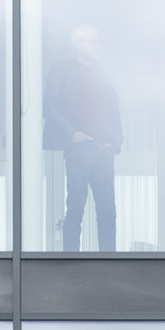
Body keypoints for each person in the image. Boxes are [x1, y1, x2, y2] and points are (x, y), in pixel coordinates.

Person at [47, 24, 121, 254]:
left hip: (103, 149)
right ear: (79, 44)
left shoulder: (103, 75)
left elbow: (114, 112)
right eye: (93, 42)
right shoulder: (63, 71)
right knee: (76, 206)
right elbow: (49, 107)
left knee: (108, 210)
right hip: (79, 148)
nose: (98, 46)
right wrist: (72, 134)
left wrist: (114, 142)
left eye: (99, 42)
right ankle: (71, 260)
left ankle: (109, 260)